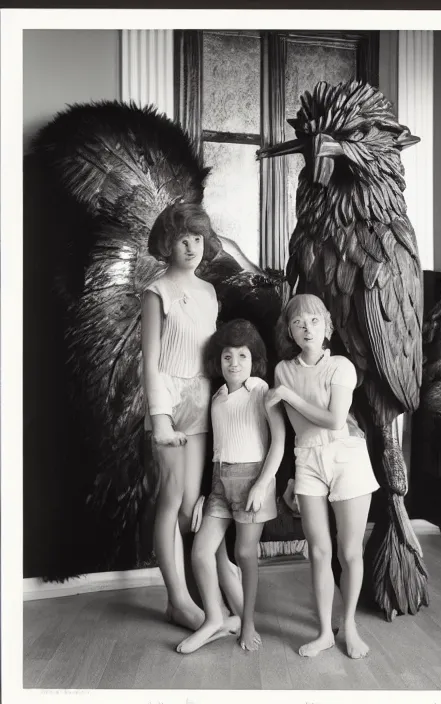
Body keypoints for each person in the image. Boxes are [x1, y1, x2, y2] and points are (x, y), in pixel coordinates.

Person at [141, 200, 242, 638]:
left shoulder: (209, 292)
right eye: (182, 238)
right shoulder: (156, 291)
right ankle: (179, 601)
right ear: (167, 243)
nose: (191, 246)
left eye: (197, 238)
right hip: (168, 398)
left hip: (201, 399)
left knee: (190, 505)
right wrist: (160, 418)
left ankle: (206, 594)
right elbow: (149, 363)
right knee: (170, 496)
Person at [266, 294, 379, 660]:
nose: (307, 328)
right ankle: (323, 632)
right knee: (317, 551)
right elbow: (301, 428)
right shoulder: (284, 370)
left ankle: (348, 628)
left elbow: (333, 421)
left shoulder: (341, 367)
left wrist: (287, 397)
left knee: (348, 550)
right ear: (290, 331)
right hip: (307, 459)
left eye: (314, 321)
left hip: (346, 456)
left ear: (326, 326)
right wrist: (293, 397)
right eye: (298, 323)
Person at [177, 319, 286, 654]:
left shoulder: (262, 391)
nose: (234, 363)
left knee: (243, 553)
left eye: (242, 356)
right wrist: (205, 495)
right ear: (218, 360)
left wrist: (261, 486)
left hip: (254, 480)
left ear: (254, 360)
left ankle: (248, 623)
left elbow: (279, 442)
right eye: (227, 356)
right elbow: (216, 451)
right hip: (220, 484)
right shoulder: (218, 398)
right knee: (200, 552)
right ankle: (214, 618)